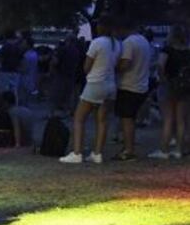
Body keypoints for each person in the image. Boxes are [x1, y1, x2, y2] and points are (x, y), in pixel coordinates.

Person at [61, 16, 120, 164]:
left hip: (95, 83)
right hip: (111, 84)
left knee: (79, 118)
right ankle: (97, 153)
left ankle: (77, 152)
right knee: (102, 120)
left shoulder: (97, 42)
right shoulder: (117, 44)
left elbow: (87, 66)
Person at [149, 24, 190, 159]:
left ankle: (164, 150)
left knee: (168, 119)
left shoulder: (167, 49)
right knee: (181, 120)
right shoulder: (187, 50)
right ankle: (179, 149)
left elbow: (161, 65)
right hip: (184, 87)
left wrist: (162, 78)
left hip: (169, 86)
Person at [113, 18, 152, 161]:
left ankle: (129, 150)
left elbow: (125, 64)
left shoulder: (129, 42)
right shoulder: (144, 41)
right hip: (142, 85)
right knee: (131, 118)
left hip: (129, 85)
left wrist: (114, 67)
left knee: (126, 119)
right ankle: (128, 147)